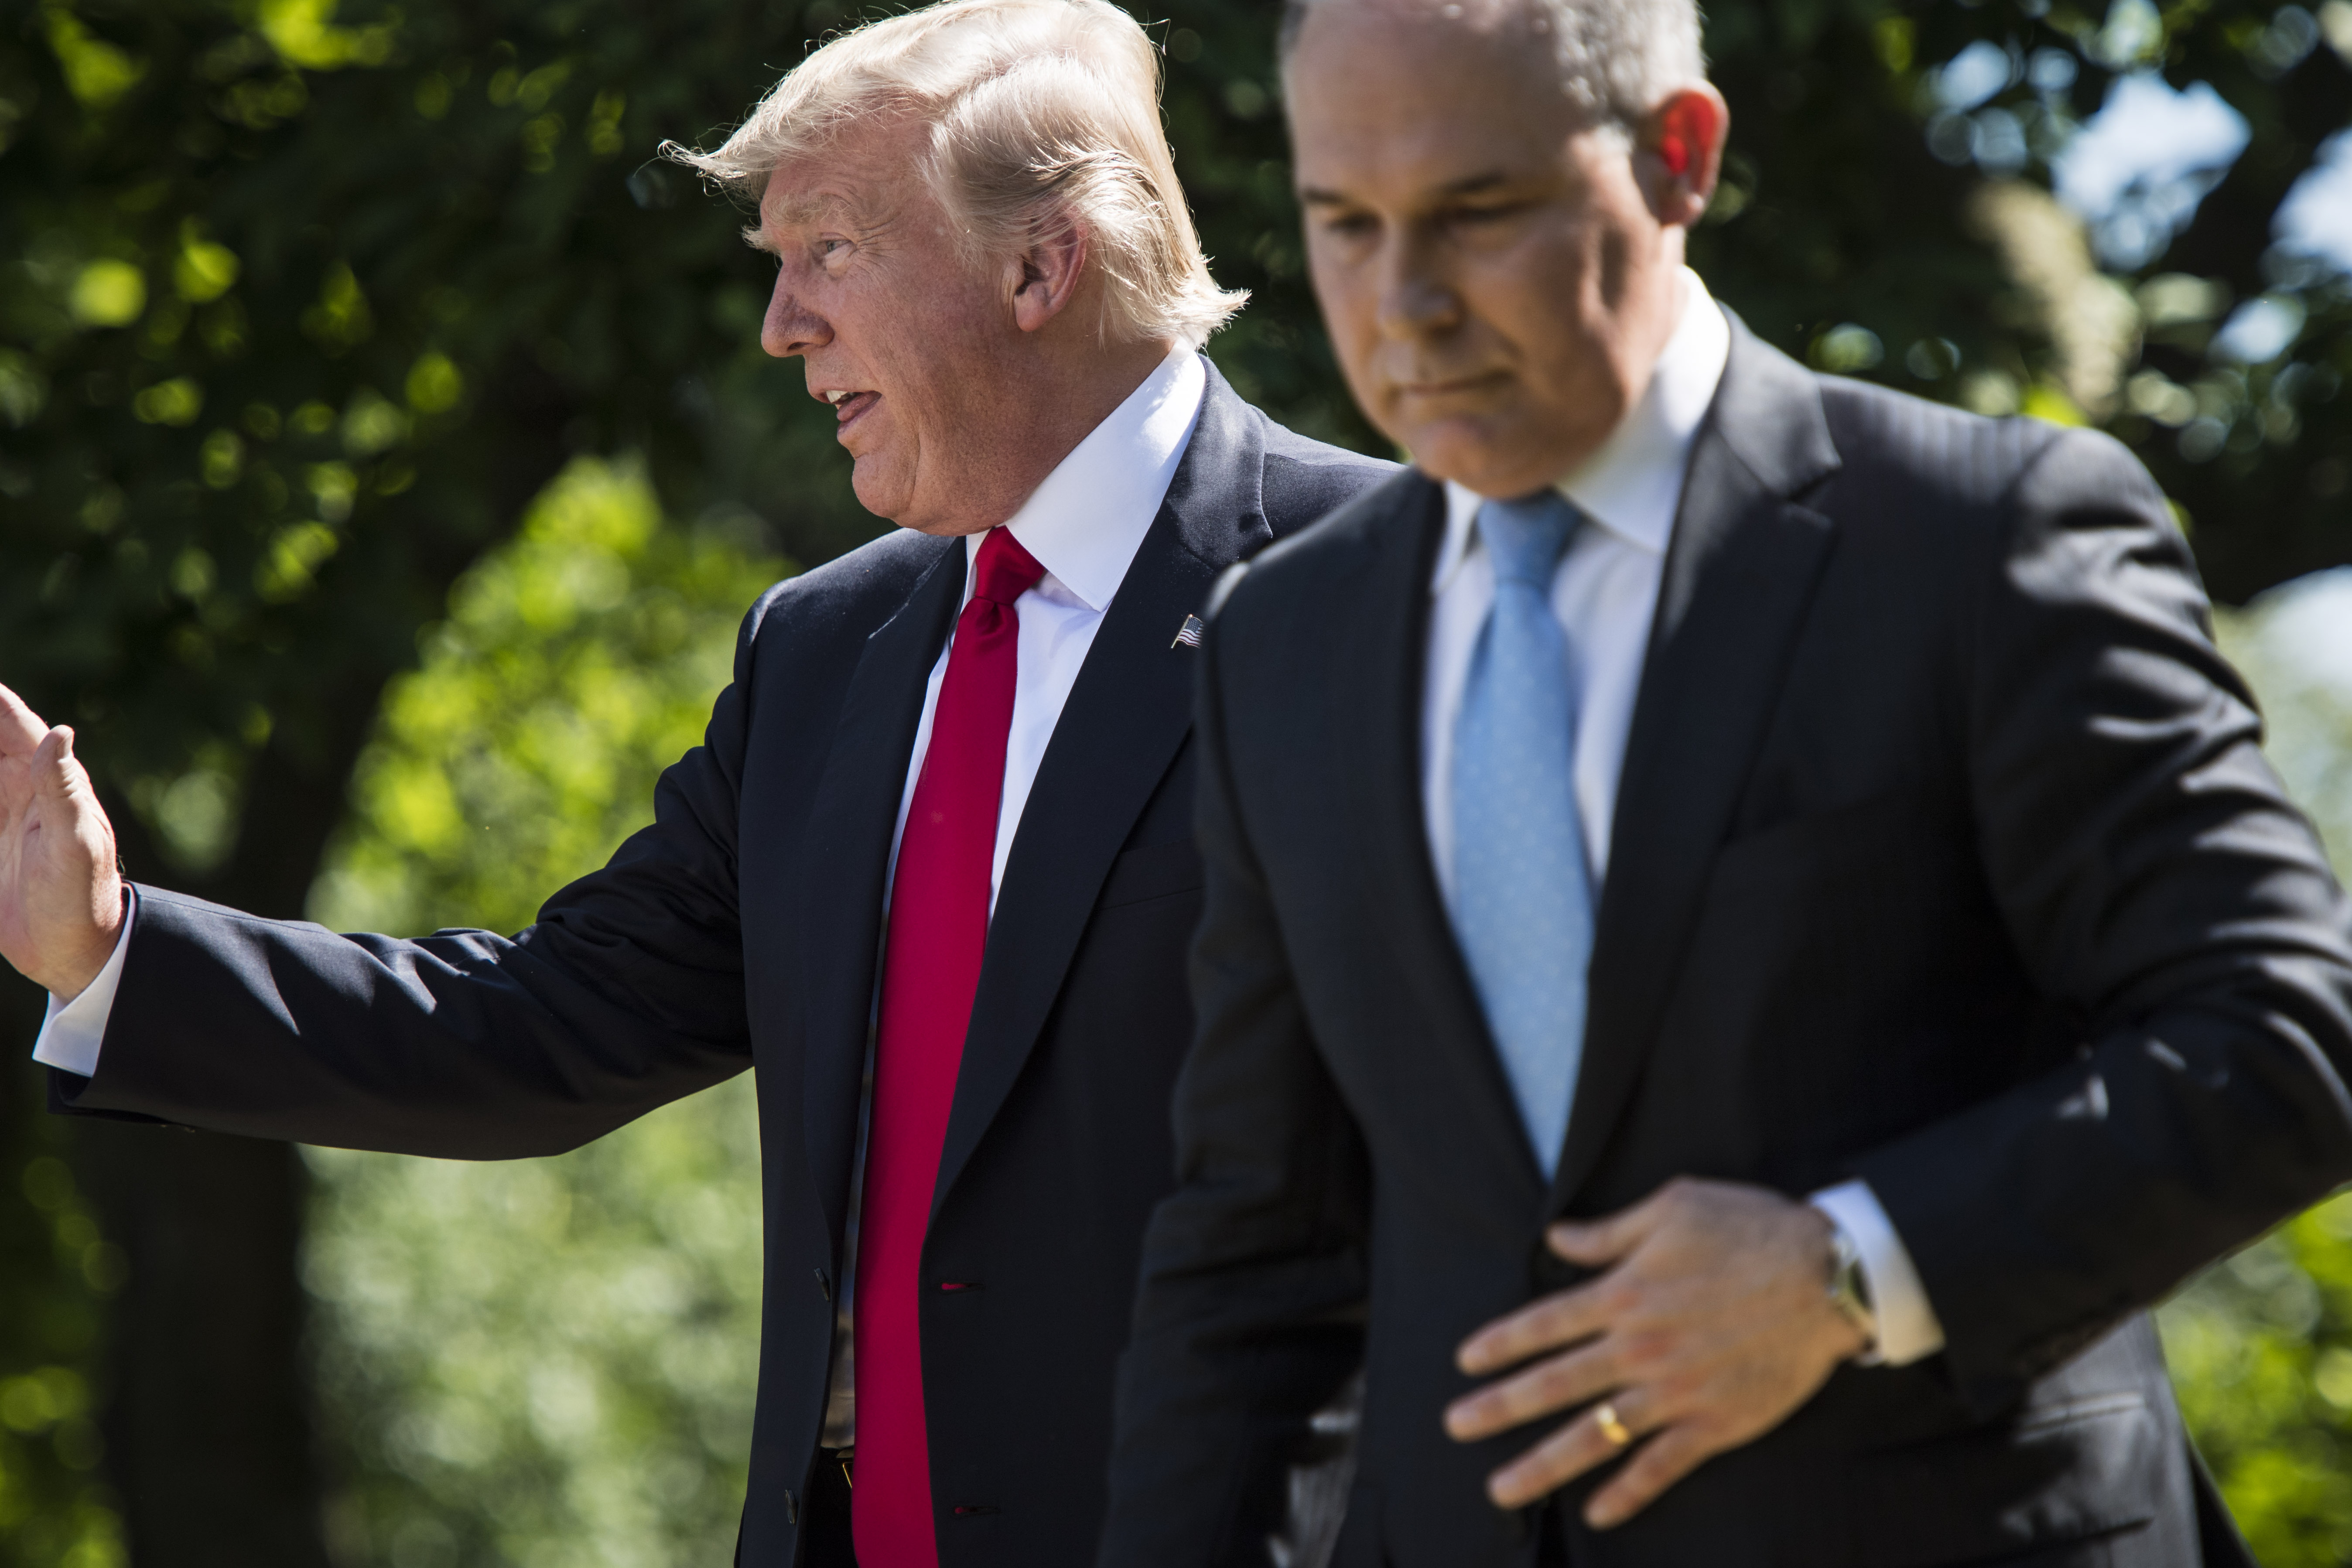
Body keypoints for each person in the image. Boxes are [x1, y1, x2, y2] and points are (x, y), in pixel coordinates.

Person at [0, 4, 1391, 1566]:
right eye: (776, 263)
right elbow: (541, 1023)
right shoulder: (825, 651)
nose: (780, 325)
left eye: (832, 250)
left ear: (1039, 266)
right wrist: (109, 948)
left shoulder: (1395, 599)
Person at [1098, 0, 2352, 1564]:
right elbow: (1250, 1258)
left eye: (1477, 211)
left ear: (1680, 157)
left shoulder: (1982, 544)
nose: (1401, 301)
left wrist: (1851, 1266)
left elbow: (2292, 1032)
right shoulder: (1279, 639)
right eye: (1343, 224)